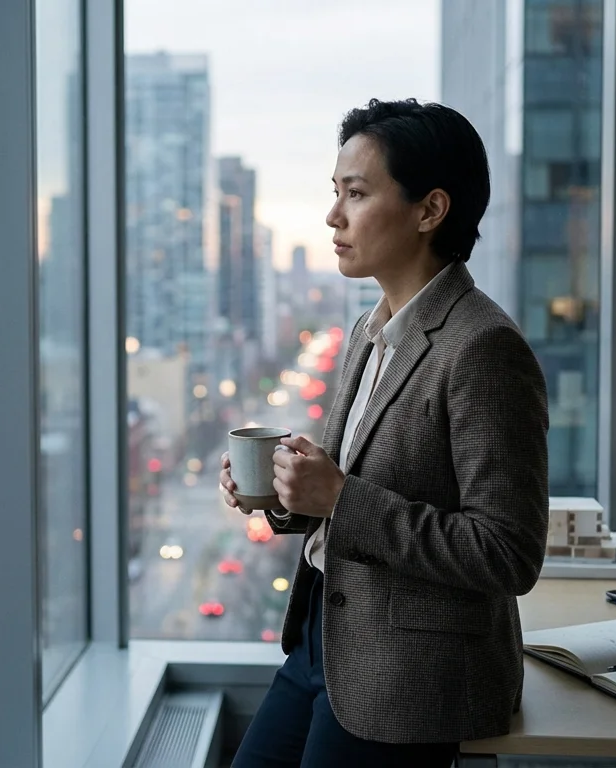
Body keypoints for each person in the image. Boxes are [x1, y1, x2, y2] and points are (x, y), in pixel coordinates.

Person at [218, 98, 550, 767]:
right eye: (335, 193)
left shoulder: (483, 348)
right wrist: (284, 498)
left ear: (430, 210)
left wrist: (339, 497)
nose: (334, 216)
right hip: (323, 643)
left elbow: (509, 553)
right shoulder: (373, 333)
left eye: (357, 194)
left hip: (407, 674)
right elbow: (353, 496)